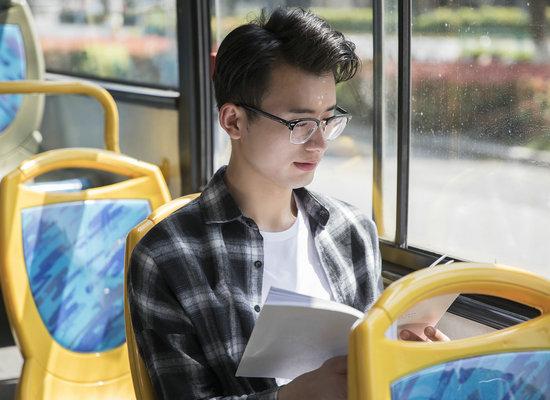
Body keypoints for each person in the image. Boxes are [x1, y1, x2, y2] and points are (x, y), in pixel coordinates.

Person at [127, 7, 444, 400]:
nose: (321, 142)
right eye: (300, 124)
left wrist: (412, 363)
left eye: (329, 119)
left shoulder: (353, 230)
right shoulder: (168, 255)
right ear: (234, 122)